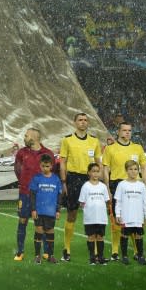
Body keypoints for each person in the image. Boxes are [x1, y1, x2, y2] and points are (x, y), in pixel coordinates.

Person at [58, 112, 102, 262]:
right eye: (80, 120)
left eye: (85, 120)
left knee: (95, 213)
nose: (83, 122)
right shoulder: (67, 140)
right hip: (74, 178)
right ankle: (67, 248)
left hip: (90, 179)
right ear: (75, 122)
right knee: (72, 213)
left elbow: (98, 162)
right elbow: (62, 162)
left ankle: (96, 250)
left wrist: (100, 180)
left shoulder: (94, 141)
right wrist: (64, 182)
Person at [102, 122, 146, 260]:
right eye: (124, 130)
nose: (127, 133)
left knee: (135, 220)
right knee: (118, 220)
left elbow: (144, 168)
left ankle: (136, 252)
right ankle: (115, 251)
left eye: (129, 130)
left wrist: (145, 187)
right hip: (118, 185)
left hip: (135, 186)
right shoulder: (110, 149)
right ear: (118, 132)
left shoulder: (137, 148)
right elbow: (106, 170)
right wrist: (108, 188)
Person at [13, 128, 54, 260]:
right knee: (22, 220)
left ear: (33, 137)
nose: (24, 138)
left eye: (26, 136)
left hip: (42, 196)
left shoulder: (47, 153)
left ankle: (46, 252)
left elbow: (52, 173)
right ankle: (20, 251)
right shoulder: (21, 153)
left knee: (41, 223)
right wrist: (24, 183)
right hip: (25, 193)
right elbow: (17, 169)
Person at [114, 160, 146, 265]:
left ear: (138, 171)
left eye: (135, 169)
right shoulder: (122, 185)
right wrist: (118, 214)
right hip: (126, 216)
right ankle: (124, 256)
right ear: (126, 170)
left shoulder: (141, 186)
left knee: (139, 235)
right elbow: (118, 202)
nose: (133, 172)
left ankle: (140, 256)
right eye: (130, 169)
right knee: (125, 235)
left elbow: (144, 202)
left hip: (138, 216)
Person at [29, 154, 62, 264]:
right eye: (43, 166)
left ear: (51, 166)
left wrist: (58, 210)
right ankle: (37, 256)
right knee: (39, 231)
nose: (45, 168)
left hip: (51, 211)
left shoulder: (56, 179)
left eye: (47, 166)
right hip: (39, 211)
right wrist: (33, 209)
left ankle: (50, 255)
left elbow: (59, 196)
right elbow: (32, 194)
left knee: (50, 232)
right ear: (40, 166)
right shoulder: (36, 178)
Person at [78, 162, 110, 265]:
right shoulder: (86, 186)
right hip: (90, 217)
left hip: (101, 217)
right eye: (93, 171)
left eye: (97, 171)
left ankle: (100, 257)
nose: (96, 174)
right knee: (91, 236)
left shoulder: (103, 186)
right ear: (88, 173)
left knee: (100, 237)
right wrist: (88, 210)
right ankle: (92, 257)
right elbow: (82, 202)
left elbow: (106, 201)